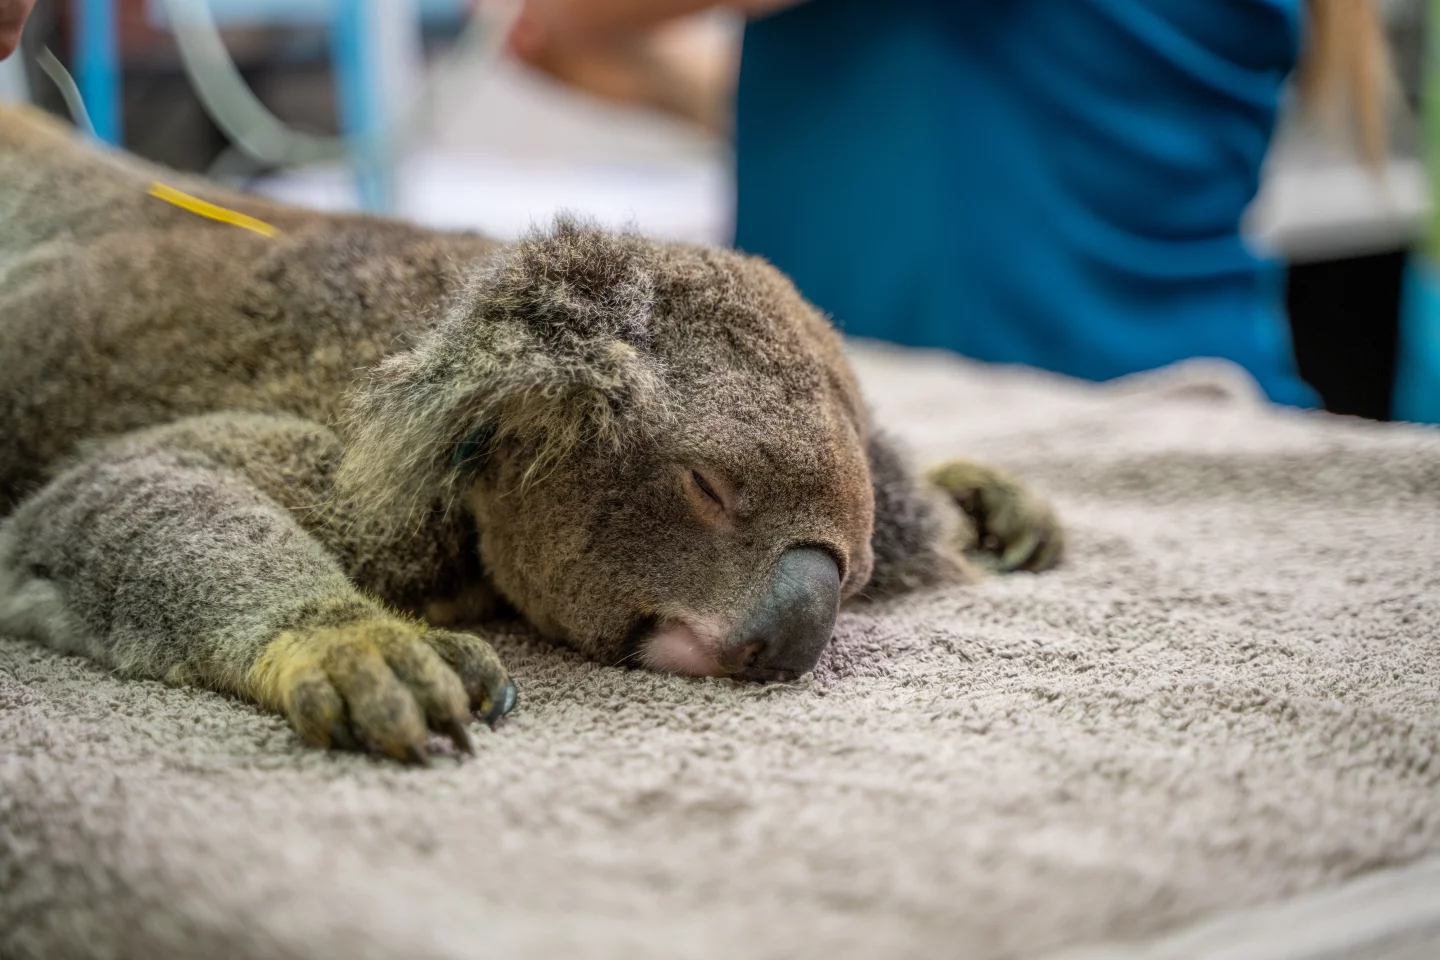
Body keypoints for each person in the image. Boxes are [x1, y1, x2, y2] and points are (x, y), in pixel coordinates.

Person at [500, 0, 1392, 408]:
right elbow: (1007, 111)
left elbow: (574, 12)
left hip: (1039, 428)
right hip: (1212, 400)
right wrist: (660, 74)